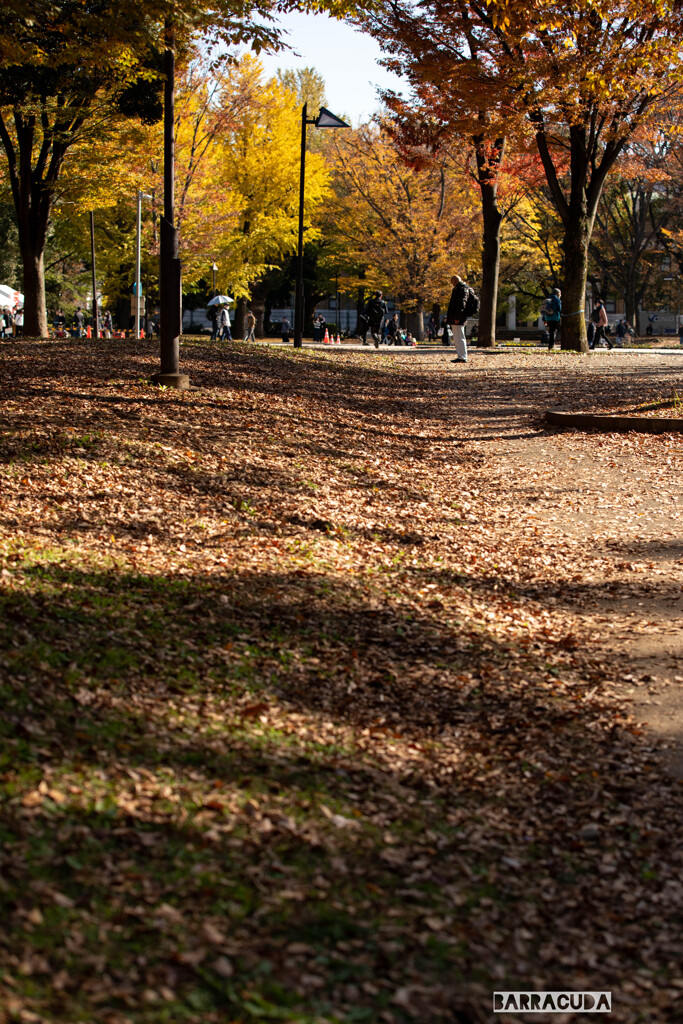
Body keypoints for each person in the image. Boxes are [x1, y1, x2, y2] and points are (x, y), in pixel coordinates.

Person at [447, 274, 479, 363]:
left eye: (452, 282)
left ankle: (462, 356)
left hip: (458, 317)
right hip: (459, 316)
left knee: (459, 337)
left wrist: (457, 317)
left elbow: (461, 303)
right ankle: (461, 356)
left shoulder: (461, 289)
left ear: (455, 281)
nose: (452, 284)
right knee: (458, 337)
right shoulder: (463, 288)